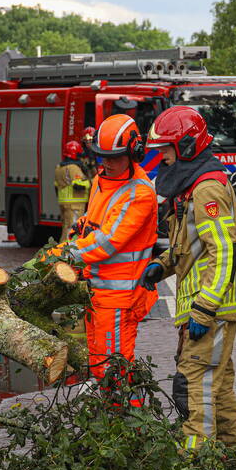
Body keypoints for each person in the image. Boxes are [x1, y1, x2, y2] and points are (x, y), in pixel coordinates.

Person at [139, 106, 236, 450]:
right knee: (219, 387)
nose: (162, 158)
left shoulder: (206, 190)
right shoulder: (190, 187)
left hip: (210, 311)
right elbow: (191, 245)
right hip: (205, 310)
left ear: (185, 145)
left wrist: (204, 309)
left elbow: (224, 251)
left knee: (192, 387)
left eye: (166, 149)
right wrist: (163, 264)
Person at [50, 115, 157, 401]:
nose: (107, 163)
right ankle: (110, 428)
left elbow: (107, 241)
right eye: (103, 157)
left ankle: (128, 431)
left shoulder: (140, 192)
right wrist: (79, 227)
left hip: (120, 297)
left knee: (115, 371)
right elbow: (94, 220)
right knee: (99, 367)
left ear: (133, 153)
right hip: (96, 292)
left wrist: (60, 254)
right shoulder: (100, 180)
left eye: (115, 158)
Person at [54, 140, 90, 236]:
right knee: (72, 230)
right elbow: (78, 185)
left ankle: (62, 249)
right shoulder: (73, 168)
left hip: (64, 203)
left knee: (66, 229)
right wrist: (91, 182)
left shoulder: (59, 167)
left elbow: (56, 186)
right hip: (75, 204)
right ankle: (68, 250)